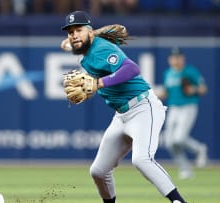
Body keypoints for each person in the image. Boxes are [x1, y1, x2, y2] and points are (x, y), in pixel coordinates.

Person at [60, 11, 188, 203]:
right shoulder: (83, 46)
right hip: (122, 116)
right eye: (70, 32)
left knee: (142, 159)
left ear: (90, 32)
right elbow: (71, 43)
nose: (74, 35)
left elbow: (132, 69)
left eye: (78, 30)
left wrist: (99, 84)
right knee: (98, 171)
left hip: (144, 107)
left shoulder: (101, 48)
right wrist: (69, 43)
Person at [158, 47, 208, 179]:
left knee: (179, 138)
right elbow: (165, 92)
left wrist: (194, 89)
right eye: (173, 57)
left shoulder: (190, 71)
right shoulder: (168, 73)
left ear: (182, 58)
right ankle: (185, 168)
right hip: (173, 108)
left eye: (178, 57)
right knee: (169, 141)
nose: (176, 60)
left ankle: (199, 149)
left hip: (188, 106)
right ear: (170, 59)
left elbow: (203, 89)